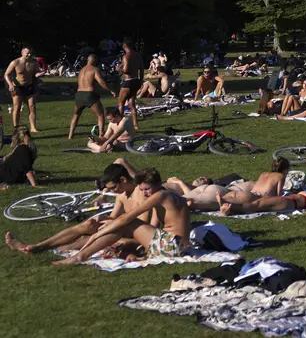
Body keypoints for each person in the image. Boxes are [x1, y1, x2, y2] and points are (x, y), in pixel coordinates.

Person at [53, 168, 192, 265]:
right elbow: (155, 226)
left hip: (173, 245)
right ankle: (79, 252)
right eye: (142, 190)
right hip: (177, 245)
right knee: (127, 231)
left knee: (129, 223)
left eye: (147, 189)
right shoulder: (168, 196)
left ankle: (80, 256)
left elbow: (127, 218)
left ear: (158, 184)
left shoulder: (161, 195)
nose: (144, 193)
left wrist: (98, 234)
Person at [5, 162, 141, 256]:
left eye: (113, 188)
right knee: (89, 224)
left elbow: (142, 225)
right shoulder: (122, 196)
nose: (113, 192)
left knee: (86, 238)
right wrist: (104, 220)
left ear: (123, 180)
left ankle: (39, 249)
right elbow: (113, 217)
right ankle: (40, 246)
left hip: (135, 234)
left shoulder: (141, 194)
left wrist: (109, 224)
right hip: (121, 228)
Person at [68, 54, 115, 140]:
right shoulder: (95, 69)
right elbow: (101, 81)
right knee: (100, 115)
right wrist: (110, 90)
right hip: (89, 94)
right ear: (94, 61)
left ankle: (70, 136)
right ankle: (101, 134)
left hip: (79, 94)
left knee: (76, 115)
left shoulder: (81, 70)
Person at [5, 46, 40, 134]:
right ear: (22, 53)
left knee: (32, 107)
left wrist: (41, 73)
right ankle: (16, 127)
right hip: (17, 87)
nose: (29, 54)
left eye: (30, 52)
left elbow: (36, 72)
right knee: (16, 107)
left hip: (29, 86)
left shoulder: (33, 62)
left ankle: (33, 127)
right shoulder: (15, 62)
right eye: (27, 53)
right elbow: (6, 74)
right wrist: (10, 84)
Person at [116, 39, 144, 131]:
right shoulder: (138, 56)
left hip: (127, 81)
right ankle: (136, 125)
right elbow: (142, 69)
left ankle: (119, 125)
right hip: (136, 81)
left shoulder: (126, 56)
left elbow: (126, 70)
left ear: (124, 46)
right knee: (132, 104)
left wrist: (118, 69)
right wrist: (141, 81)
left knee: (121, 103)